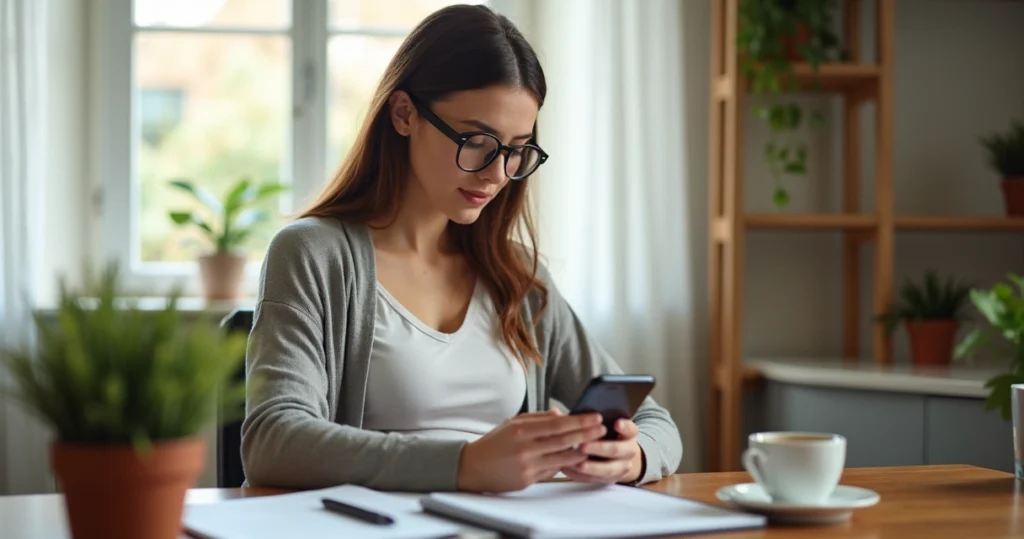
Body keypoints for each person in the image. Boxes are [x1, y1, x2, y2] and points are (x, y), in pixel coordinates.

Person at [240, 4, 682, 494]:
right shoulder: (313, 254)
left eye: (516, 149)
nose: (497, 174)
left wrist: (632, 456)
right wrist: (464, 464)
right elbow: (273, 441)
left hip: (508, 523)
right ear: (404, 114)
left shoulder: (518, 277)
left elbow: (654, 421)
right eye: (477, 141)